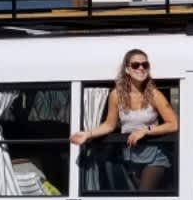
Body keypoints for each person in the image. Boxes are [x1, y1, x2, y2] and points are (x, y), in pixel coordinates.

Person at [70, 48, 178, 190]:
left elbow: (174, 124)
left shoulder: (154, 94)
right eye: (135, 65)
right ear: (127, 69)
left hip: (154, 157)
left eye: (145, 65)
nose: (141, 68)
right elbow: (109, 125)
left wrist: (146, 130)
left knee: (142, 197)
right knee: (131, 199)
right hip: (129, 156)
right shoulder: (116, 95)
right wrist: (88, 134)